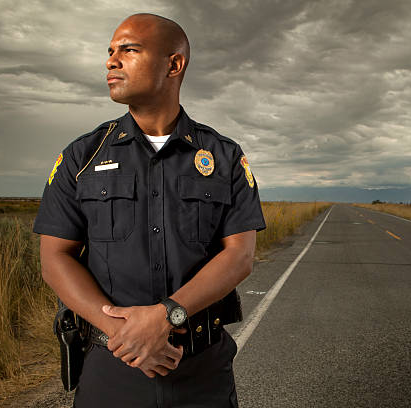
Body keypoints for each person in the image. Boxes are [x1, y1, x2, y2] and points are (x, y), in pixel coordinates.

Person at [34, 13, 265, 408]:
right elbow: (55, 257)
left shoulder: (224, 156)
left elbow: (240, 255)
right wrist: (126, 336)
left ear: (174, 64)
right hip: (112, 368)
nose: (111, 60)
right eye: (110, 51)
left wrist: (167, 317)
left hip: (201, 371)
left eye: (129, 49)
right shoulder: (82, 156)